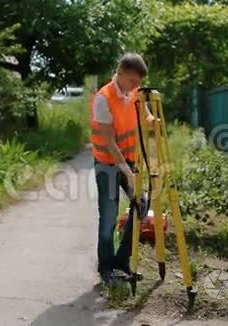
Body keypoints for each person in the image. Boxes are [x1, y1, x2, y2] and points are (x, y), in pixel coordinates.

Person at [91, 52, 154, 285]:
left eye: (139, 83)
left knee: (142, 202)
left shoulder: (133, 91)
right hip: (107, 163)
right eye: (133, 81)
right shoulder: (103, 99)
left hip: (129, 159)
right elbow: (108, 141)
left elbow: (146, 116)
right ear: (119, 73)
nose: (136, 87)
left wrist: (153, 121)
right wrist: (127, 171)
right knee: (108, 216)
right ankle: (106, 268)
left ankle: (122, 259)